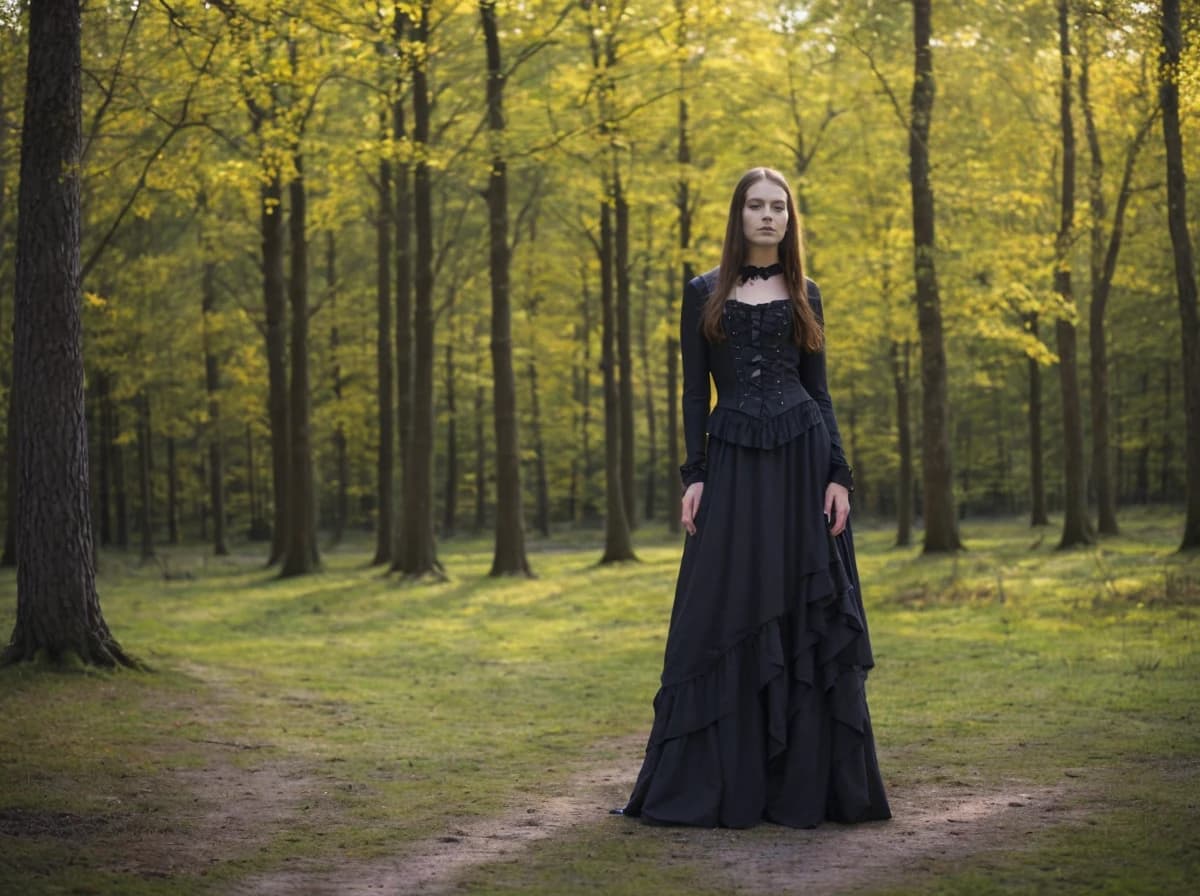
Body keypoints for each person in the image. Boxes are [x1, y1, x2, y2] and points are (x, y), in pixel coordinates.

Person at [618, 167, 891, 829]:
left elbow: (819, 391)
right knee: (720, 608)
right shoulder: (703, 292)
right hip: (734, 461)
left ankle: (805, 784)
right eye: (756, 206)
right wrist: (694, 475)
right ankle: (717, 780)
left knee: (803, 608)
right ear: (738, 215)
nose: (768, 217)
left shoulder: (808, 294)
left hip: (802, 460)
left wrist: (839, 476)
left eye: (778, 208)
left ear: (789, 219)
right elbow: (692, 392)